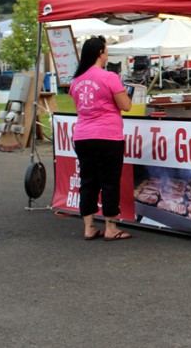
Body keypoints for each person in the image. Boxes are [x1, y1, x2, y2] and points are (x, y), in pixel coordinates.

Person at [69, 36, 133, 241]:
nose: (107, 55)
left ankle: (89, 227)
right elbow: (126, 105)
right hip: (107, 135)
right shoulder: (109, 77)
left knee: (88, 181)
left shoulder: (76, 80)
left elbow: (79, 107)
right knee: (109, 181)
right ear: (100, 53)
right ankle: (111, 228)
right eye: (106, 51)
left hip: (82, 136)